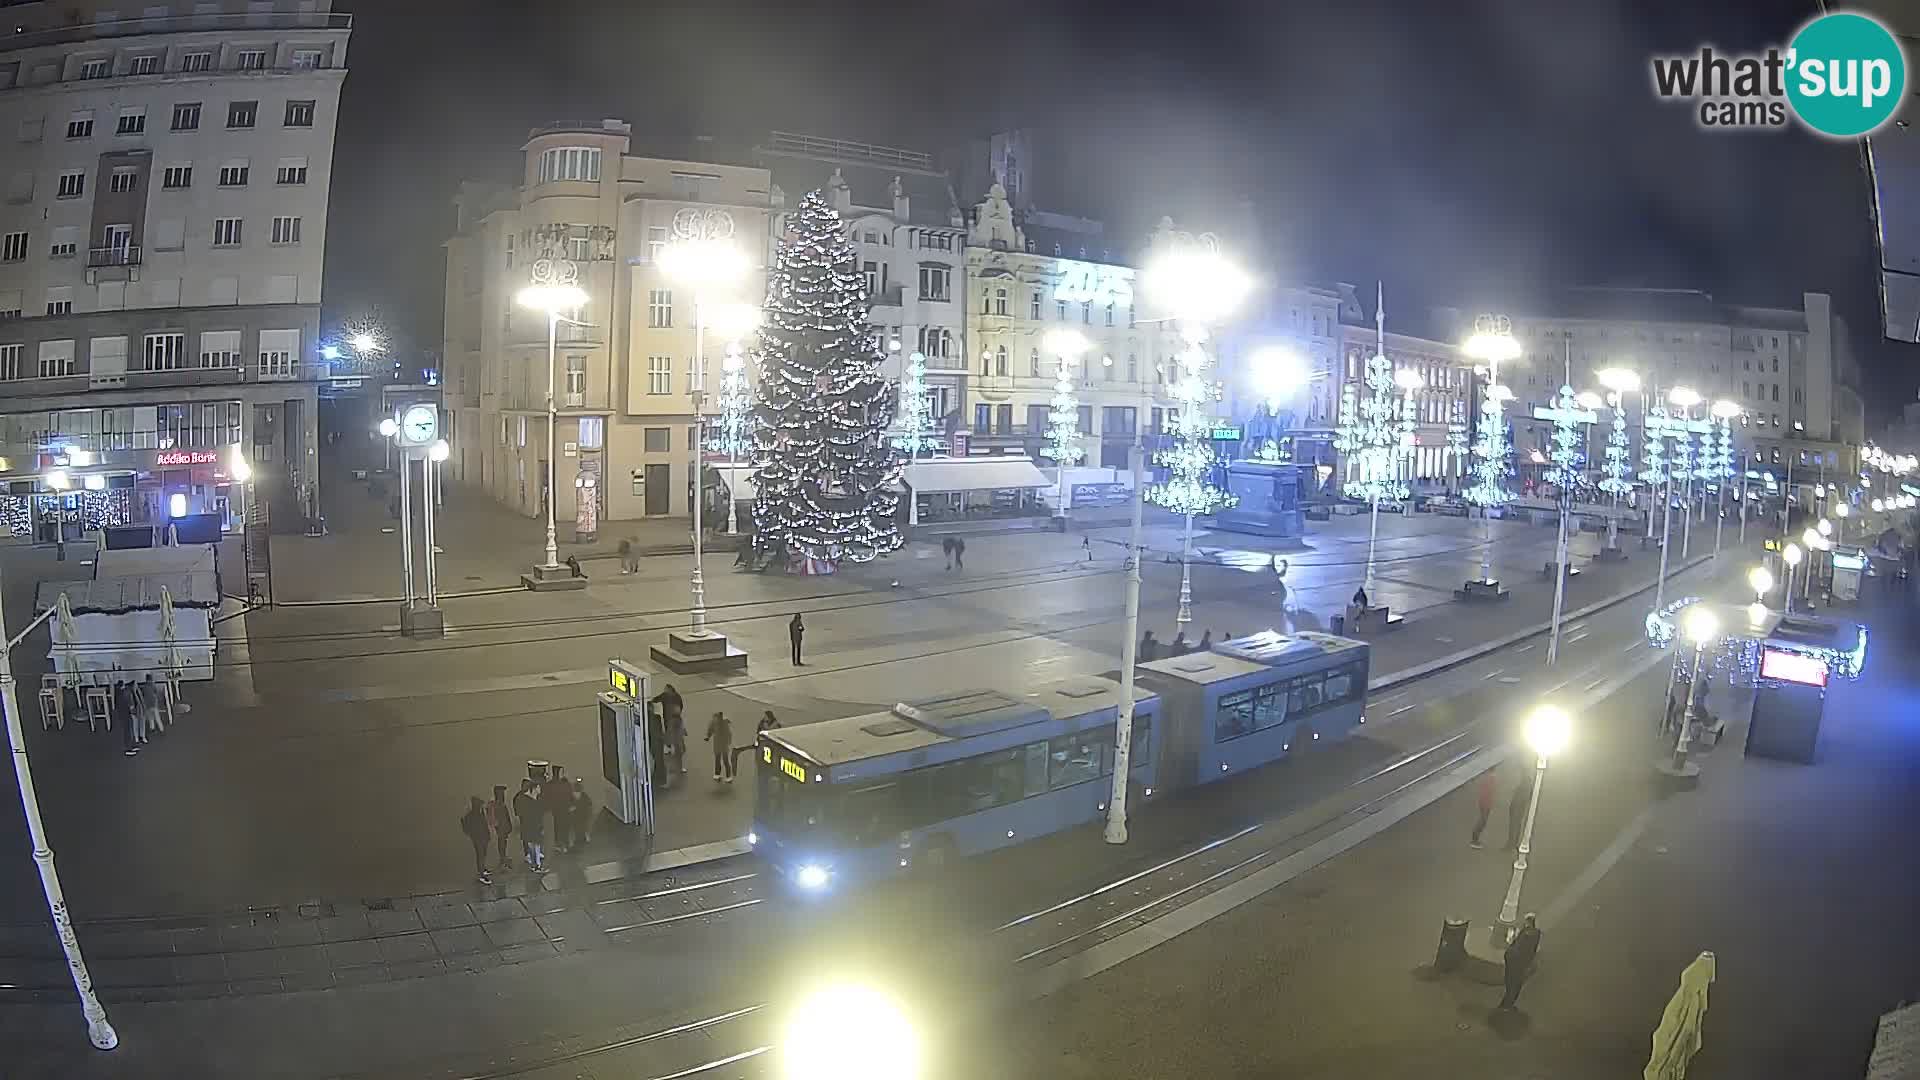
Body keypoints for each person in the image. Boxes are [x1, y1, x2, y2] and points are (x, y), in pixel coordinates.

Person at [1497, 914, 1543, 1010]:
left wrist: (1510, 943)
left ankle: (1506, 1004)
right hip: (1521, 963)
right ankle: (1508, 1003)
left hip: (1515, 961)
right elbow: (1532, 951)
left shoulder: (1524, 934)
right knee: (1515, 983)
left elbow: (1516, 946)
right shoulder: (1536, 933)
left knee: (1511, 982)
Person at [513, 779, 545, 872]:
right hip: (530, 826)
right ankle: (535, 865)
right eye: (539, 788)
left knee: (535, 845)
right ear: (534, 788)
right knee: (533, 845)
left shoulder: (533, 799)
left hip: (533, 826)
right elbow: (523, 814)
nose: (540, 789)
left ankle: (536, 865)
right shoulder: (524, 799)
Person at [461, 796, 493, 884]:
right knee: (480, 855)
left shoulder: (479, 813)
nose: (481, 806)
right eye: (480, 804)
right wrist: (473, 835)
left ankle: (482, 869)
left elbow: (484, 825)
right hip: (478, 838)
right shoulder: (471, 815)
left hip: (483, 837)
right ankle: (481, 874)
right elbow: (467, 828)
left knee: (483, 854)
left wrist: (487, 835)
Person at [484, 785, 514, 869]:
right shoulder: (498, 804)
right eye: (502, 793)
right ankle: (503, 858)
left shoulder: (498, 804)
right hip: (501, 827)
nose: (504, 795)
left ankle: (503, 857)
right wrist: (507, 825)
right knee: (502, 842)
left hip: (502, 826)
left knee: (503, 841)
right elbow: (503, 816)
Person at [545, 766, 573, 854]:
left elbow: (548, 797)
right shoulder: (564, 783)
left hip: (556, 809)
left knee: (558, 827)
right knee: (565, 827)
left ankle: (559, 844)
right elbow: (569, 794)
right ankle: (565, 844)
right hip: (564, 808)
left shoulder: (550, 784)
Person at [1470, 769, 1497, 849]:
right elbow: (1488, 793)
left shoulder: (1488, 777)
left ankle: (1475, 839)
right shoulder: (1491, 779)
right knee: (1482, 821)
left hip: (1484, 803)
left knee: (1482, 821)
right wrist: (1489, 804)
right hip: (1486, 803)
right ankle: (1474, 840)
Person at [706, 710, 735, 782]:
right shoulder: (716, 722)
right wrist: (708, 736)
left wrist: (708, 736)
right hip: (720, 744)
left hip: (722, 744)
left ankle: (724, 775)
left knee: (723, 760)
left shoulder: (722, 723)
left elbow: (728, 734)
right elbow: (710, 730)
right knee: (719, 759)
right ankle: (720, 775)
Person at [1503, 778, 1530, 851]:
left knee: (1513, 827)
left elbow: (1517, 799)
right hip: (1520, 809)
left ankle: (1510, 845)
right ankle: (1515, 844)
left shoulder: (1523, 787)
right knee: (1517, 826)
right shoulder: (1528, 786)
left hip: (1517, 808)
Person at [569, 780, 595, 850]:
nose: (575, 794)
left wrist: (575, 807)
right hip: (577, 816)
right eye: (574, 793)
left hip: (582, 815)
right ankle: (580, 839)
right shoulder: (574, 797)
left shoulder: (584, 796)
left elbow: (588, 805)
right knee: (578, 828)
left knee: (582, 827)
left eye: (576, 793)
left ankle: (582, 838)